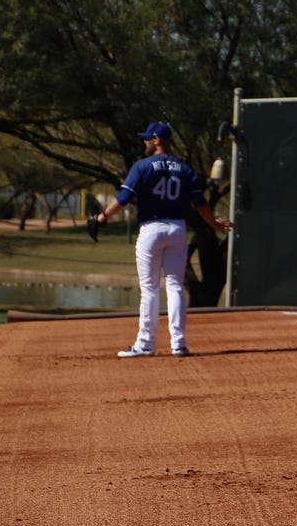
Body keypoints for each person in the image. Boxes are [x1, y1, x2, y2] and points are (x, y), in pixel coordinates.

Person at [95, 121, 233, 358]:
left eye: (148, 138)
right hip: (177, 229)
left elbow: (124, 197)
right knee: (175, 285)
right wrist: (214, 223)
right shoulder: (185, 169)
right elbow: (200, 204)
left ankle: (145, 344)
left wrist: (102, 216)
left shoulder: (142, 166)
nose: (145, 142)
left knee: (149, 288)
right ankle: (178, 344)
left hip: (152, 229)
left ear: (157, 140)